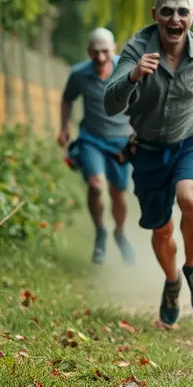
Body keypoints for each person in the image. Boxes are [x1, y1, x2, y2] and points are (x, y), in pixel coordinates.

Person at [104, 0, 193, 326]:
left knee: (189, 197)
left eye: (182, 11)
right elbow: (110, 104)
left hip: (190, 140)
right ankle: (172, 282)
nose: (174, 18)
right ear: (155, 15)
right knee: (161, 230)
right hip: (147, 149)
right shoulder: (136, 49)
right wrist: (133, 76)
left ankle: (192, 267)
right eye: (167, 11)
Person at [58, 28, 135, 266]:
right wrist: (63, 128)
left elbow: (146, 97)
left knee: (119, 192)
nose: (100, 58)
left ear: (114, 50)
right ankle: (101, 231)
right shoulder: (79, 74)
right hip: (92, 139)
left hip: (122, 141)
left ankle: (119, 232)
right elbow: (67, 99)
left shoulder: (128, 69)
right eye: (95, 52)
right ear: (88, 51)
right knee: (96, 185)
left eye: (105, 52)